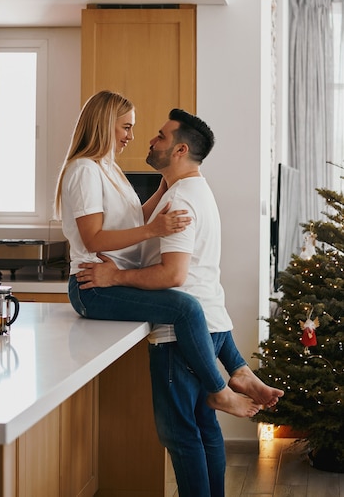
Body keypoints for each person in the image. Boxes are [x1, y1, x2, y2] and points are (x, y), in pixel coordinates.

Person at [76, 108, 285, 497]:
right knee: (205, 430)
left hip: (182, 334)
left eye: (160, 135)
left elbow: (173, 276)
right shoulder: (192, 191)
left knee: (181, 435)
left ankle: (233, 381)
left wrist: (114, 276)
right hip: (213, 321)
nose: (150, 140)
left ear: (179, 149)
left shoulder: (180, 203)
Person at [54, 90, 266, 418]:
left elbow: (132, 219)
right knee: (186, 307)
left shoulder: (107, 168)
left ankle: (238, 372)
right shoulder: (84, 170)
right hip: (92, 286)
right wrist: (155, 230)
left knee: (193, 306)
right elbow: (92, 238)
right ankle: (220, 389)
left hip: (112, 283)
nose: (132, 136)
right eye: (125, 127)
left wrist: (166, 189)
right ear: (105, 124)